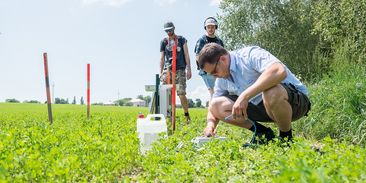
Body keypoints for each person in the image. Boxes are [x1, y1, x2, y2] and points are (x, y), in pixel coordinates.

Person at [198, 43, 311, 144]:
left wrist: (244, 96)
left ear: (223, 59)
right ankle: (263, 133)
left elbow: (279, 71)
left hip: (296, 103)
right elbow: (213, 107)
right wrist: (210, 125)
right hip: (263, 108)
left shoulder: (249, 55)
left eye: (214, 72)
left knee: (271, 91)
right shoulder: (221, 78)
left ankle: (286, 138)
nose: (214, 76)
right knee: (216, 104)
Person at [160, 21, 192, 123]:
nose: (169, 32)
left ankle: (186, 114)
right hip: (168, 69)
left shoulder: (182, 40)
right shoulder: (164, 42)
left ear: (174, 28)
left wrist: (189, 69)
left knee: (181, 93)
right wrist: (161, 73)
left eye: (170, 30)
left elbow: (186, 54)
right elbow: (161, 58)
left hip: (180, 69)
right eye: (167, 31)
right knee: (166, 92)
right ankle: (168, 116)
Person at [194, 17, 224, 103]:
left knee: (218, 92)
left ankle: (216, 113)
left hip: (218, 69)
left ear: (215, 27)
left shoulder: (219, 41)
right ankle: (213, 114)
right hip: (207, 70)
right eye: (208, 27)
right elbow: (197, 56)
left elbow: (223, 56)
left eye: (212, 27)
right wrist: (205, 68)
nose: (210, 29)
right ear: (205, 28)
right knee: (213, 92)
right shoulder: (202, 40)